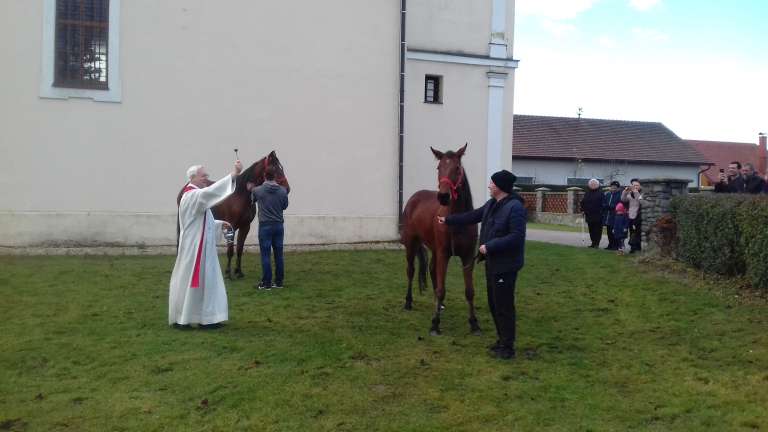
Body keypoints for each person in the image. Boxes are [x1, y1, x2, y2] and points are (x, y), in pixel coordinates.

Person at [437, 170, 526, 360]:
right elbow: (472, 216)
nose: (489, 185)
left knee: (504, 306)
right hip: (492, 263)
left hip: (506, 264)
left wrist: (490, 246)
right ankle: (501, 341)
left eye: (492, 183)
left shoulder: (515, 207)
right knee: (494, 304)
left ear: (500, 187)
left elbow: (517, 237)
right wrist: (448, 220)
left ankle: (508, 347)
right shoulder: (493, 204)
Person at [169, 160, 242, 329]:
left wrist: (218, 224)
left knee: (202, 283)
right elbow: (211, 192)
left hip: (198, 248)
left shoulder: (194, 197)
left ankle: (201, 318)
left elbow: (200, 221)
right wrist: (233, 175)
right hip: (195, 249)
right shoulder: (192, 195)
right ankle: (190, 319)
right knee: (197, 283)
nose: (206, 178)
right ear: (192, 177)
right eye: (203, 176)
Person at [248, 166, 289, 290]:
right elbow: (285, 206)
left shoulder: (258, 190)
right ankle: (279, 282)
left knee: (265, 255)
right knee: (279, 255)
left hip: (265, 226)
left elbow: (252, 201)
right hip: (278, 225)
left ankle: (266, 283)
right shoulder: (283, 190)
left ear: (265, 176)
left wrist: (250, 189)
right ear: (275, 176)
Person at [580, 179, 604, 248]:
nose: (593, 185)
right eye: (591, 184)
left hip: (598, 215)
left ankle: (596, 243)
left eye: (594, 184)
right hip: (589, 215)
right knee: (591, 230)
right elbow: (583, 202)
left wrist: (601, 211)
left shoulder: (601, 193)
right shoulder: (587, 193)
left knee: (597, 230)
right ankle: (593, 243)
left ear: (598, 185)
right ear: (589, 185)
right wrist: (582, 210)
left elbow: (603, 203)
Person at [621, 178, 643, 253]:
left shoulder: (642, 193)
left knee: (637, 232)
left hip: (639, 215)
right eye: (633, 185)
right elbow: (623, 200)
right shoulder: (630, 193)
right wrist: (625, 191)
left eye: (637, 185)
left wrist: (636, 192)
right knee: (632, 232)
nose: (635, 187)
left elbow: (640, 201)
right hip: (630, 215)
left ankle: (638, 248)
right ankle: (633, 248)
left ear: (640, 186)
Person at [602, 181, 622, 250]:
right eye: (612, 187)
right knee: (609, 232)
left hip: (615, 216)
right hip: (608, 215)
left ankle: (615, 245)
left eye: (615, 187)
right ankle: (610, 244)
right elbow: (603, 203)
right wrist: (605, 206)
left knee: (614, 232)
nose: (613, 189)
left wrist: (611, 206)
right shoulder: (608, 194)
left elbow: (619, 204)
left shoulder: (620, 195)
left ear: (618, 188)